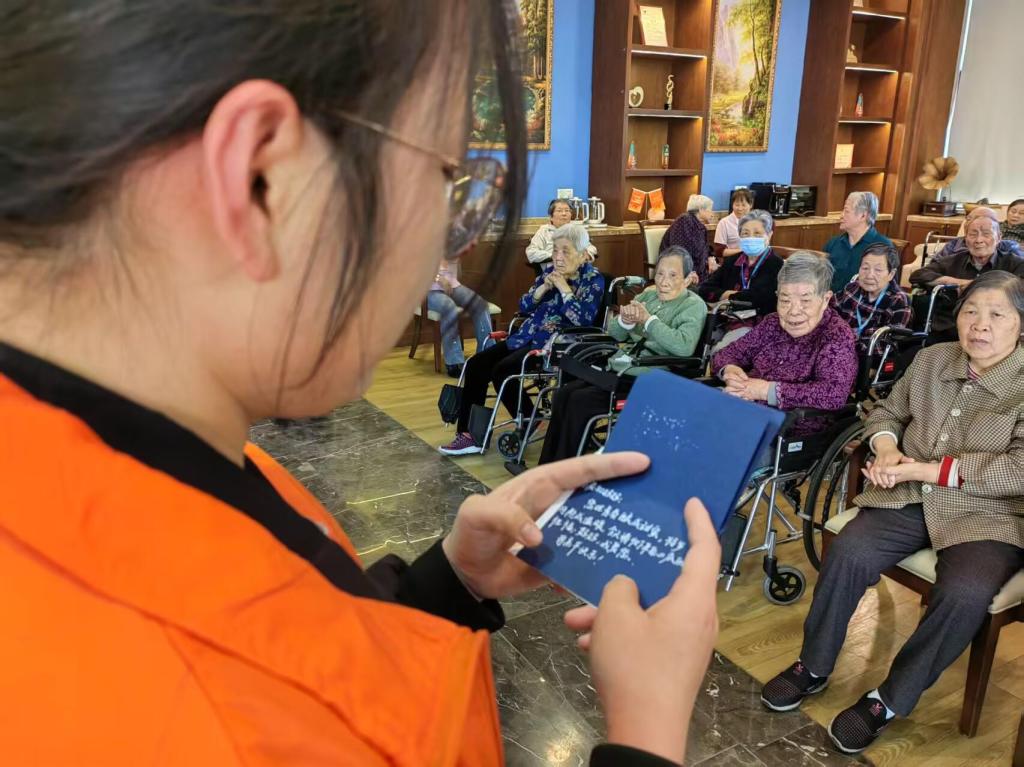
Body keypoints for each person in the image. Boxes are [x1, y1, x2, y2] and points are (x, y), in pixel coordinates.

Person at [0, 4, 722, 765]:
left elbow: (310, 635)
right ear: (260, 180)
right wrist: (647, 732)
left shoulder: (162, 459)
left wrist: (445, 584)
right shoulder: (196, 715)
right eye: (447, 179)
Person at [760, 270, 1024, 755]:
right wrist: (885, 449)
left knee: (964, 592)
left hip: (987, 514)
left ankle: (889, 700)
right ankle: (813, 666)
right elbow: (885, 413)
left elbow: (1018, 469)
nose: (980, 325)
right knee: (849, 551)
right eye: (970, 311)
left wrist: (920, 469)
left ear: (1020, 325)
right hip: (909, 497)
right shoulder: (933, 359)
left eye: (996, 315)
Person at [440, 222, 604, 456]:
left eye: (565, 251)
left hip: (556, 345)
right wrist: (541, 289)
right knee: (476, 364)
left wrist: (564, 288)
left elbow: (583, 319)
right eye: (555, 250)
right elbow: (524, 306)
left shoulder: (593, 280)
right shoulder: (549, 273)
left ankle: (529, 417)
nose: (558, 257)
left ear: (582, 254)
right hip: (526, 335)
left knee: (502, 370)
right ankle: (469, 435)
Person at [537, 247, 707, 464]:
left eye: (673, 275)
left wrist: (648, 321)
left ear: (687, 279)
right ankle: (547, 467)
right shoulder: (648, 296)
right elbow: (614, 334)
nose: (664, 281)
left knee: (580, 401)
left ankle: (565, 472)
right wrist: (625, 321)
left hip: (653, 377)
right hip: (622, 369)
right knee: (564, 393)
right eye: (660, 274)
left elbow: (683, 347)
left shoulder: (693, 306)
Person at [713, 254, 858, 435]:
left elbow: (833, 393)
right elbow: (727, 353)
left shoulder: (836, 335)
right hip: (744, 407)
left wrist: (767, 391)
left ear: (825, 299)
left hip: (789, 429)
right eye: (785, 300)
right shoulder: (772, 323)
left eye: (805, 301)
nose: (793, 311)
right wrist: (729, 371)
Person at [909, 215, 1024, 340]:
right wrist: (954, 282)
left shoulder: (1014, 263)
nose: (979, 240)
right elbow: (918, 275)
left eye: (986, 234)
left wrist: (977, 286)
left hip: (996, 332)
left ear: (999, 237)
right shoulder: (952, 261)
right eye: (973, 234)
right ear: (965, 239)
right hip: (949, 330)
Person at [698, 209, 784, 349]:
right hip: (723, 319)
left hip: (755, 324)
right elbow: (704, 289)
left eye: (757, 233)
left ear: (769, 235)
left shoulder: (776, 265)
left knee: (719, 352)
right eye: (745, 233)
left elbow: (759, 298)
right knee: (695, 345)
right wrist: (733, 296)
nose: (751, 237)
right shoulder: (732, 261)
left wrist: (725, 296)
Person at [831, 242, 911, 354]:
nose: (869, 275)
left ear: (891, 274)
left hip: (866, 357)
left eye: (878, 270)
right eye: (865, 268)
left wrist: (847, 344)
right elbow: (828, 312)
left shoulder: (899, 301)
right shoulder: (852, 288)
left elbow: (886, 346)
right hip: (836, 346)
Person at [426, 246, 494, 378]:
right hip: (430, 290)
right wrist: (438, 278)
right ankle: (454, 362)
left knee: (480, 305)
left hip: (452, 285)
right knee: (449, 307)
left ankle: (486, 355)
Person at [823, 191, 894, 293]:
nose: (841, 215)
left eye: (846, 211)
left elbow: (890, 288)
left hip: (864, 301)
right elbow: (820, 279)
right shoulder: (833, 243)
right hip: (831, 300)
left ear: (863, 215)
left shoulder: (883, 246)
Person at [526, 198, 597, 266]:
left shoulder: (575, 230)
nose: (564, 214)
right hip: (553, 269)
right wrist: (555, 255)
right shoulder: (544, 231)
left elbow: (591, 248)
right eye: (559, 211)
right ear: (551, 217)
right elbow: (531, 253)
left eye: (567, 210)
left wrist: (587, 254)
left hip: (577, 267)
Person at [659, 194, 714, 281]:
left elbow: (705, 248)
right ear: (701, 209)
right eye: (710, 209)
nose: (712, 213)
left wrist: (710, 258)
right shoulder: (684, 221)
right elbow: (680, 251)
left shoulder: (700, 226)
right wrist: (690, 271)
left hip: (699, 272)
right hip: (679, 271)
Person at [945, 205, 1023, 259]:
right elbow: (938, 268)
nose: (970, 222)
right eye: (969, 218)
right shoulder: (954, 244)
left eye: (979, 219)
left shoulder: (1009, 248)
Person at [713, 188, 754, 262]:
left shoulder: (756, 222)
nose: (740, 208)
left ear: (750, 205)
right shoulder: (724, 223)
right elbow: (719, 252)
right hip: (733, 262)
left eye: (743, 205)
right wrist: (742, 251)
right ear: (732, 205)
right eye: (737, 205)